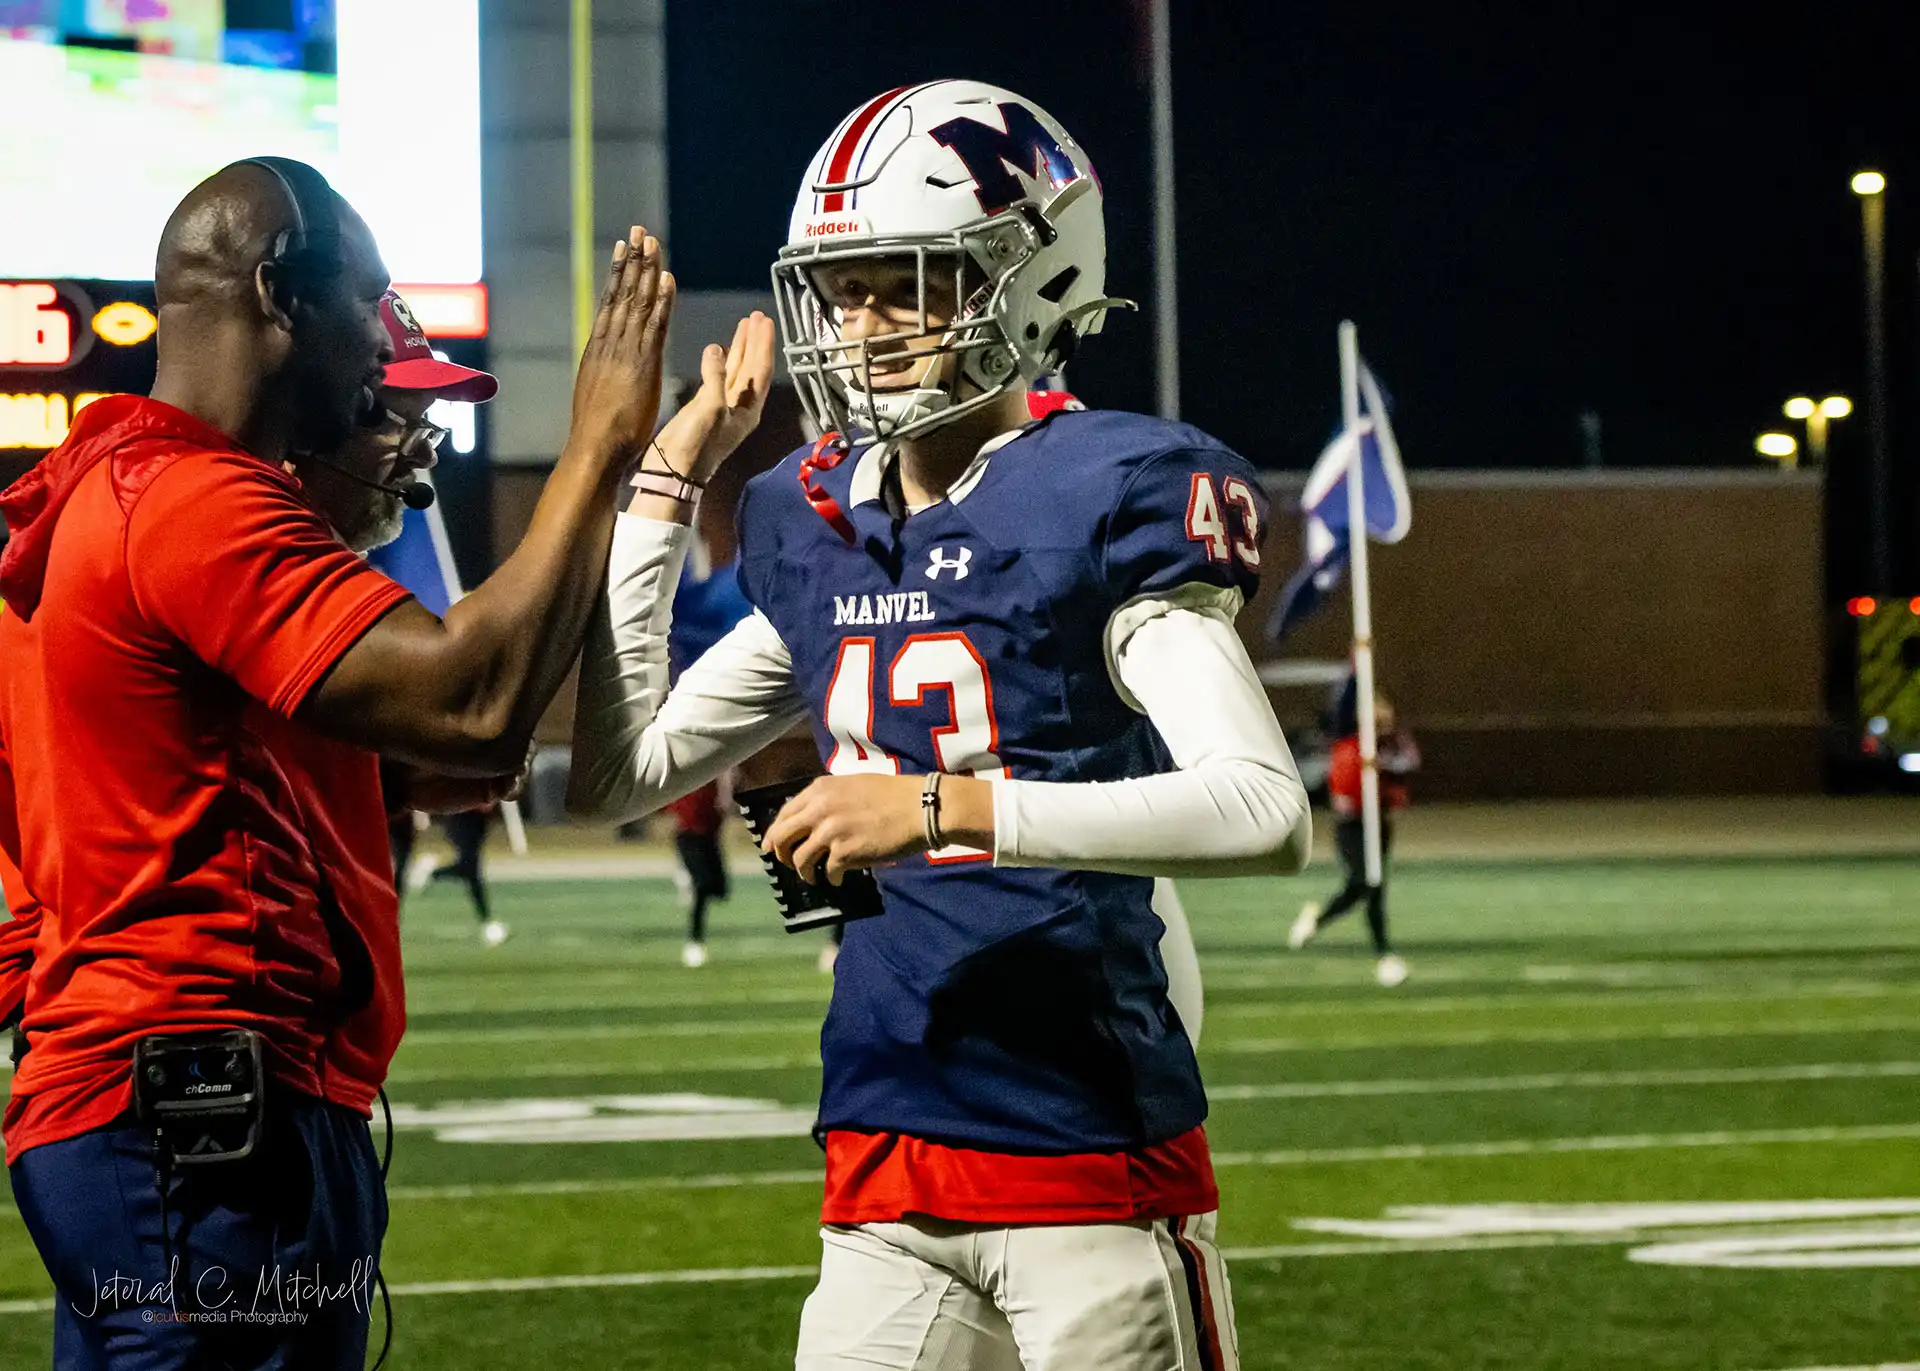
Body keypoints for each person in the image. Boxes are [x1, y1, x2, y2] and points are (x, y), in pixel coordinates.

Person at [569, 82, 1310, 1370]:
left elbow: (1263, 808)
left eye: (908, 283)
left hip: (1083, 1156)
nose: (863, 326)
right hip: (883, 1150)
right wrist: (666, 483)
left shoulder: (1105, 489)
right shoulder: (820, 519)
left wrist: (937, 809)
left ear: (1033, 279)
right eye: (845, 288)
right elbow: (618, 773)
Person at [0, 156, 671, 1370]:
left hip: (130, 1109)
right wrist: (600, 444)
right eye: (370, 307)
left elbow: (71, 822)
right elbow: (474, 705)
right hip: (203, 1112)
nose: (383, 364)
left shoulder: (91, 501)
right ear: (278, 295)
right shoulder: (191, 497)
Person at [1289, 695, 1421, 986]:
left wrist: (1382, 767)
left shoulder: (1391, 746)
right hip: (1352, 827)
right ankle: (1377, 947)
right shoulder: (1350, 747)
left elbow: (1408, 764)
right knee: (1364, 881)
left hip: (1379, 824)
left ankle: (1380, 949)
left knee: (1374, 887)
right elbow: (1343, 788)